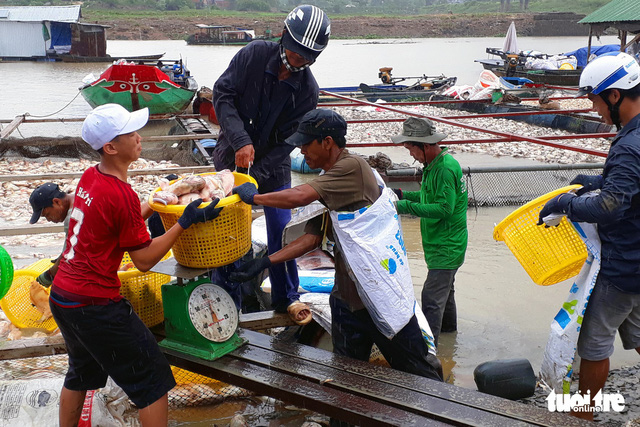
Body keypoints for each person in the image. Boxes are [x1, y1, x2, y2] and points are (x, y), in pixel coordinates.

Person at [229, 109, 443, 382]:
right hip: (346, 301)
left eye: (306, 143)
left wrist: (255, 198)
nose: (301, 150)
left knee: (421, 375)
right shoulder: (332, 183)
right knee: (344, 382)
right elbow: (312, 239)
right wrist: (265, 262)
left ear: (327, 142)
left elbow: (298, 196)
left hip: (380, 297)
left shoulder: (350, 168)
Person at [50, 103, 223, 427]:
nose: (139, 137)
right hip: (95, 304)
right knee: (154, 383)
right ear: (111, 147)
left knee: (81, 372)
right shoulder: (121, 194)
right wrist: (184, 222)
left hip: (63, 297)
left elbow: (114, 226)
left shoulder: (90, 177)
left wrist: (155, 203)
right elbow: (143, 260)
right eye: (131, 133)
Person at [212, 5, 331, 324]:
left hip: (274, 168)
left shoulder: (308, 91)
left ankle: (287, 297)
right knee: (225, 232)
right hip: (230, 159)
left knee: (282, 229)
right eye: (295, 52)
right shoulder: (252, 55)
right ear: (283, 37)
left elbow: (288, 143)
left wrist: (254, 183)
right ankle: (225, 298)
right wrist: (240, 141)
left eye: (306, 56)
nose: (298, 60)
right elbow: (222, 96)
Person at [537, 52, 640, 420]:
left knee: (593, 344)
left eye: (595, 99)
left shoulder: (628, 146)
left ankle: (582, 414)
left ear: (614, 95)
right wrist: (591, 182)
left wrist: (566, 203)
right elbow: (627, 188)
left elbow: (612, 205)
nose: (594, 109)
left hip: (623, 265)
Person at [391, 117, 468, 347]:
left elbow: (444, 209)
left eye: (411, 149)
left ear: (424, 145)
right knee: (447, 293)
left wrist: (402, 207)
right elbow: (428, 197)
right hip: (443, 244)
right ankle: (449, 339)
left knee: (431, 299)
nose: (411, 155)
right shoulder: (435, 165)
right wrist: (401, 194)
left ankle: (428, 351)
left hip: (446, 246)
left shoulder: (444, 169)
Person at [28, 182, 74, 286]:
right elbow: (70, 243)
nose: (49, 220)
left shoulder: (72, 217)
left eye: (47, 215)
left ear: (57, 202)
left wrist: (49, 275)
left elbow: (70, 255)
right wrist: (60, 258)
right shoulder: (79, 198)